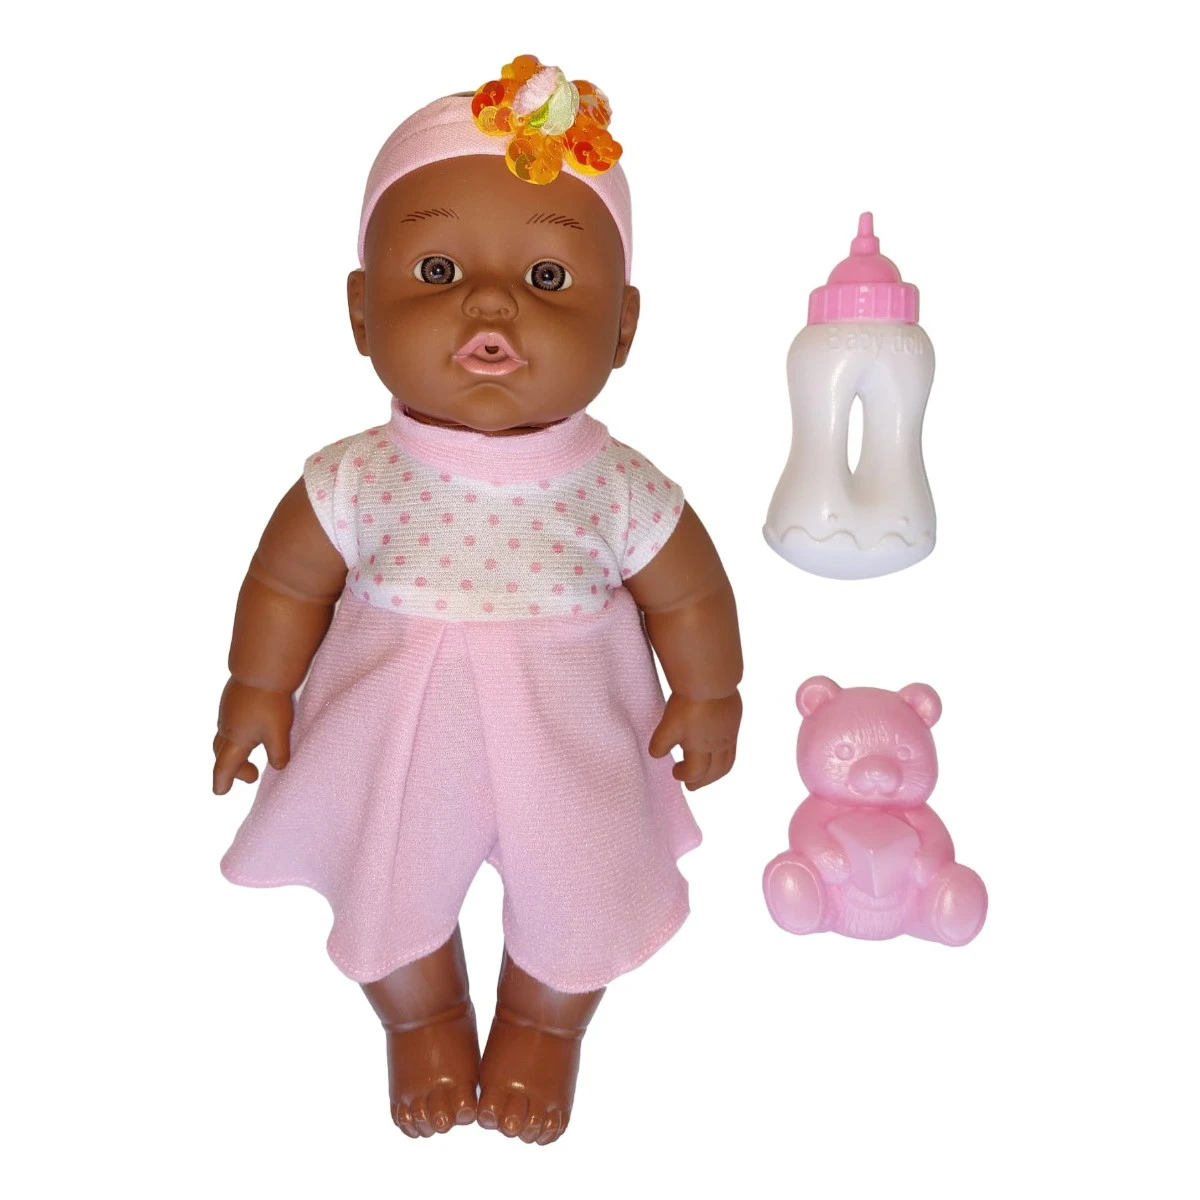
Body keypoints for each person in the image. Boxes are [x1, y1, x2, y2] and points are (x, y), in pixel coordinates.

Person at [213, 55, 742, 1144]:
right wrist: (255, 684)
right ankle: (422, 1015)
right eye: (438, 268)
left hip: (572, 741)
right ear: (362, 313)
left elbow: (689, 594)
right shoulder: (356, 477)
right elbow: (285, 581)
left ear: (623, 329)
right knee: (386, 875)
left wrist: (710, 692)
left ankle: (546, 1025)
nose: (491, 303)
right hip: (392, 740)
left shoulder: (617, 486)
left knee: (583, 888)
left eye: (549, 278)